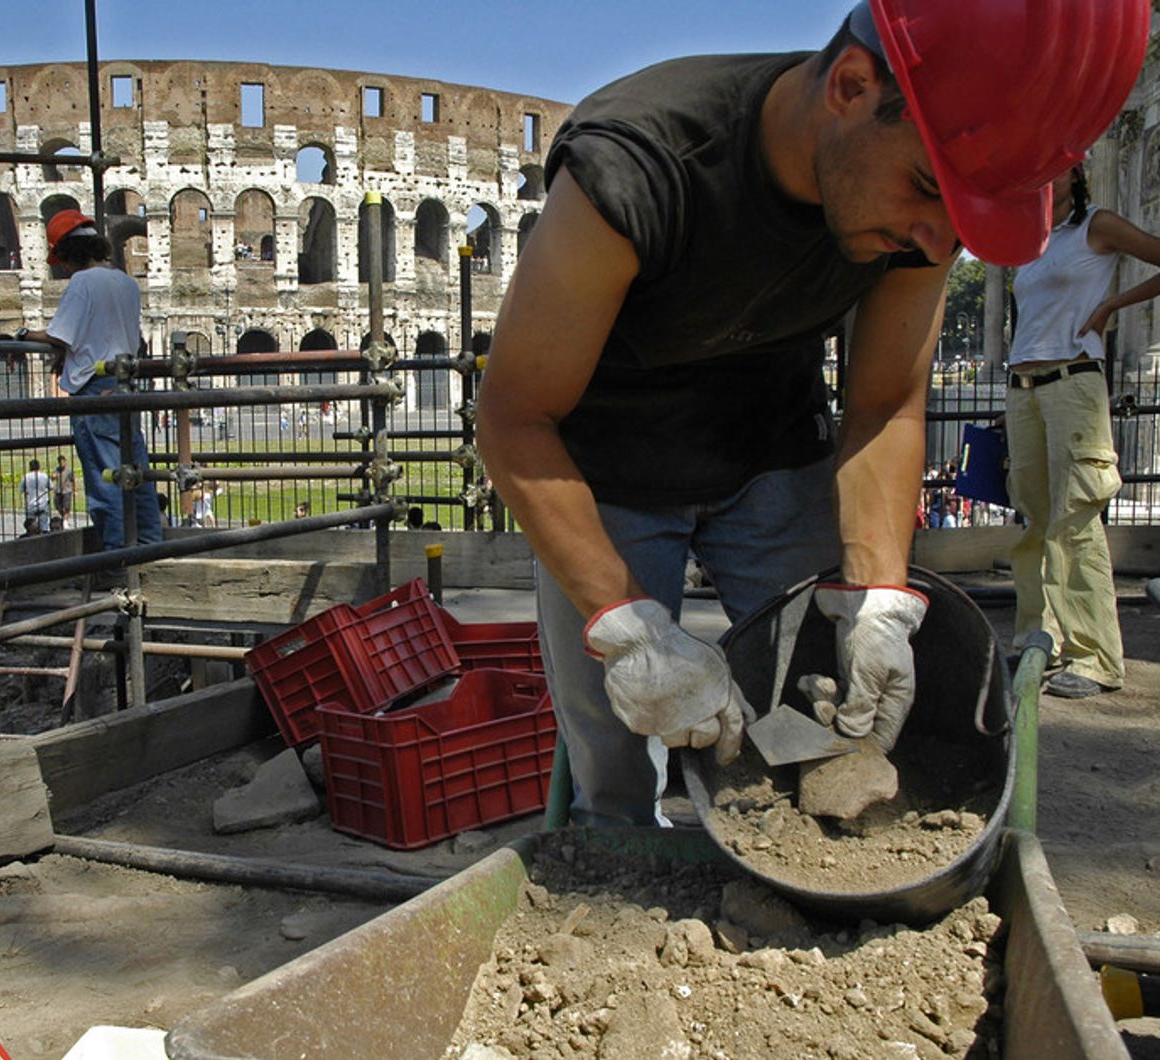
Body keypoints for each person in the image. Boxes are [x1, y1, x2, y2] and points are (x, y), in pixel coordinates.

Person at [475, 0, 1146, 827]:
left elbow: (887, 403)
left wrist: (878, 598)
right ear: (852, 87)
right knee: (617, 743)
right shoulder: (643, 163)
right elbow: (514, 418)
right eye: (928, 190)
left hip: (772, 451)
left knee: (824, 708)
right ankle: (613, 872)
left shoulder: (919, 223)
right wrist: (630, 627)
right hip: (604, 469)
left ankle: (796, 875)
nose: (937, 241)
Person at [1005, 164, 1160, 698]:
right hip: (1024, 385)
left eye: (1056, 167)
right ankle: (1037, 636)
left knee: (1074, 521)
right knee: (1032, 518)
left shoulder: (1099, 225)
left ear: (1076, 172)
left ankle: (1094, 656)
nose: (1046, 176)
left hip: (1073, 380)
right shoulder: (1031, 239)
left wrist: (1113, 305)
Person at [19, 210, 164, 550]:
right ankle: (151, 545)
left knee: (106, 479)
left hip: (94, 389)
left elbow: (60, 334)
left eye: (63, 261)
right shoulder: (127, 283)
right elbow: (100, 333)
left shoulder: (82, 283)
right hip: (126, 384)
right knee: (136, 472)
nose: (63, 269)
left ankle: (117, 556)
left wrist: (25, 333)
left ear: (70, 254)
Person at [20, 458, 51, 533]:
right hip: (43, 504)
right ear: (39, 466)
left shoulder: (26, 477)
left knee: (31, 526)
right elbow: (51, 487)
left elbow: (22, 489)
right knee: (44, 526)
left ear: (30, 467)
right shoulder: (44, 476)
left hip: (31, 504)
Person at [52, 454, 75, 523]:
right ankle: (64, 517)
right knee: (57, 505)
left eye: (62, 462)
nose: (61, 464)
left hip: (67, 491)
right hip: (58, 491)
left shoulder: (69, 471)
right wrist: (53, 476)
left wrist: (74, 490)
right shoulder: (57, 469)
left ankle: (65, 521)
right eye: (60, 462)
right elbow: (52, 478)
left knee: (66, 507)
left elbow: (73, 480)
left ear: (65, 461)